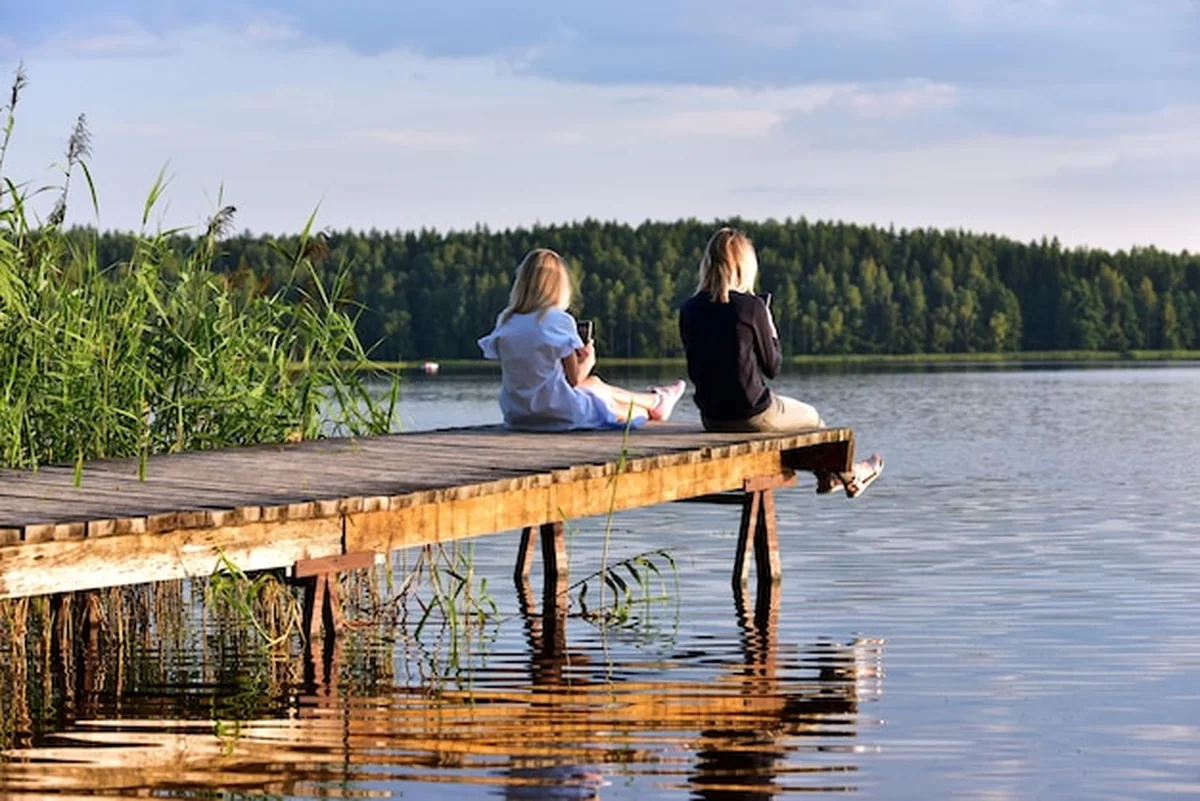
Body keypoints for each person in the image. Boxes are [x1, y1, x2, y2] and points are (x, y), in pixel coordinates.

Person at [679, 227, 883, 497]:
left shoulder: (689, 309)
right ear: (745, 266)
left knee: (798, 420)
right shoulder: (751, 307)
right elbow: (772, 367)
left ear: (708, 265)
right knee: (812, 417)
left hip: (712, 418)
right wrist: (770, 328)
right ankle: (846, 475)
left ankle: (831, 477)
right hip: (754, 414)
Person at [479, 248, 686, 431]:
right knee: (633, 412)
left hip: (517, 416)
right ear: (558, 286)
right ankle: (654, 404)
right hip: (559, 414)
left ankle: (658, 399)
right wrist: (588, 360)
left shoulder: (507, 322)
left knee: (595, 384)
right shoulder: (558, 320)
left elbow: (533, 372)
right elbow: (574, 379)